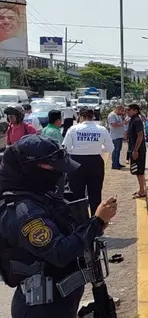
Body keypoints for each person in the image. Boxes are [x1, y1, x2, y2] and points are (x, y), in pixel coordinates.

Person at [0, 134, 118, 318]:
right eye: (52, 168)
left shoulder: (39, 195)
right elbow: (59, 252)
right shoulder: (24, 212)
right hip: (40, 308)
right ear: (30, 168)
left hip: (57, 301)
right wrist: (98, 222)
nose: (58, 174)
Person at [62, 108, 114, 215]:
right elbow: (110, 148)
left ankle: (80, 220)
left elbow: (66, 147)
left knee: (77, 195)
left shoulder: (73, 129)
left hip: (76, 162)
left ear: (80, 116)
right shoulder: (101, 129)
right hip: (95, 162)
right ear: (93, 117)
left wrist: (77, 150)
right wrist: (98, 149)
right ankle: (96, 221)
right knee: (95, 194)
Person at [126, 104, 147, 198]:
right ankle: (141, 189)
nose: (127, 112)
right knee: (136, 171)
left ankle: (142, 191)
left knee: (139, 171)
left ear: (135, 110)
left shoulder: (137, 121)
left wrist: (135, 150)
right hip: (134, 148)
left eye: (129, 110)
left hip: (138, 150)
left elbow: (140, 136)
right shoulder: (132, 120)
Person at [107, 105, 126, 169]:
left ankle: (117, 163)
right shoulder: (112, 115)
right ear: (117, 109)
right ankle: (114, 164)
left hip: (119, 135)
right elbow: (113, 125)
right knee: (115, 151)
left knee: (118, 150)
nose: (122, 112)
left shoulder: (118, 115)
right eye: (121, 110)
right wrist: (123, 123)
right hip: (115, 136)